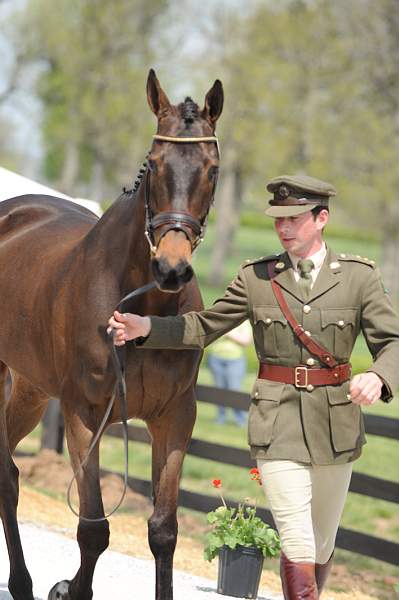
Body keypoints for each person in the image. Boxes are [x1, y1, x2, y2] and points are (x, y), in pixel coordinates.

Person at [108, 174, 399, 600]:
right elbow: (203, 326)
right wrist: (146, 326)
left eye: (294, 219)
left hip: (337, 425)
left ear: (322, 219)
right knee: (297, 539)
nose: (283, 228)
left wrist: (378, 375)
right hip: (275, 421)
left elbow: (392, 342)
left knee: (320, 543)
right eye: (278, 220)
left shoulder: (359, 277)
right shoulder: (256, 278)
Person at [207, 320, 252, 426]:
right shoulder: (218, 318)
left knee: (234, 389)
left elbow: (246, 341)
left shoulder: (243, 322)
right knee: (219, 389)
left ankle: (240, 419)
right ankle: (220, 418)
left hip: (235, 360)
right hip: (216, 358)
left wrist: (227, 332)